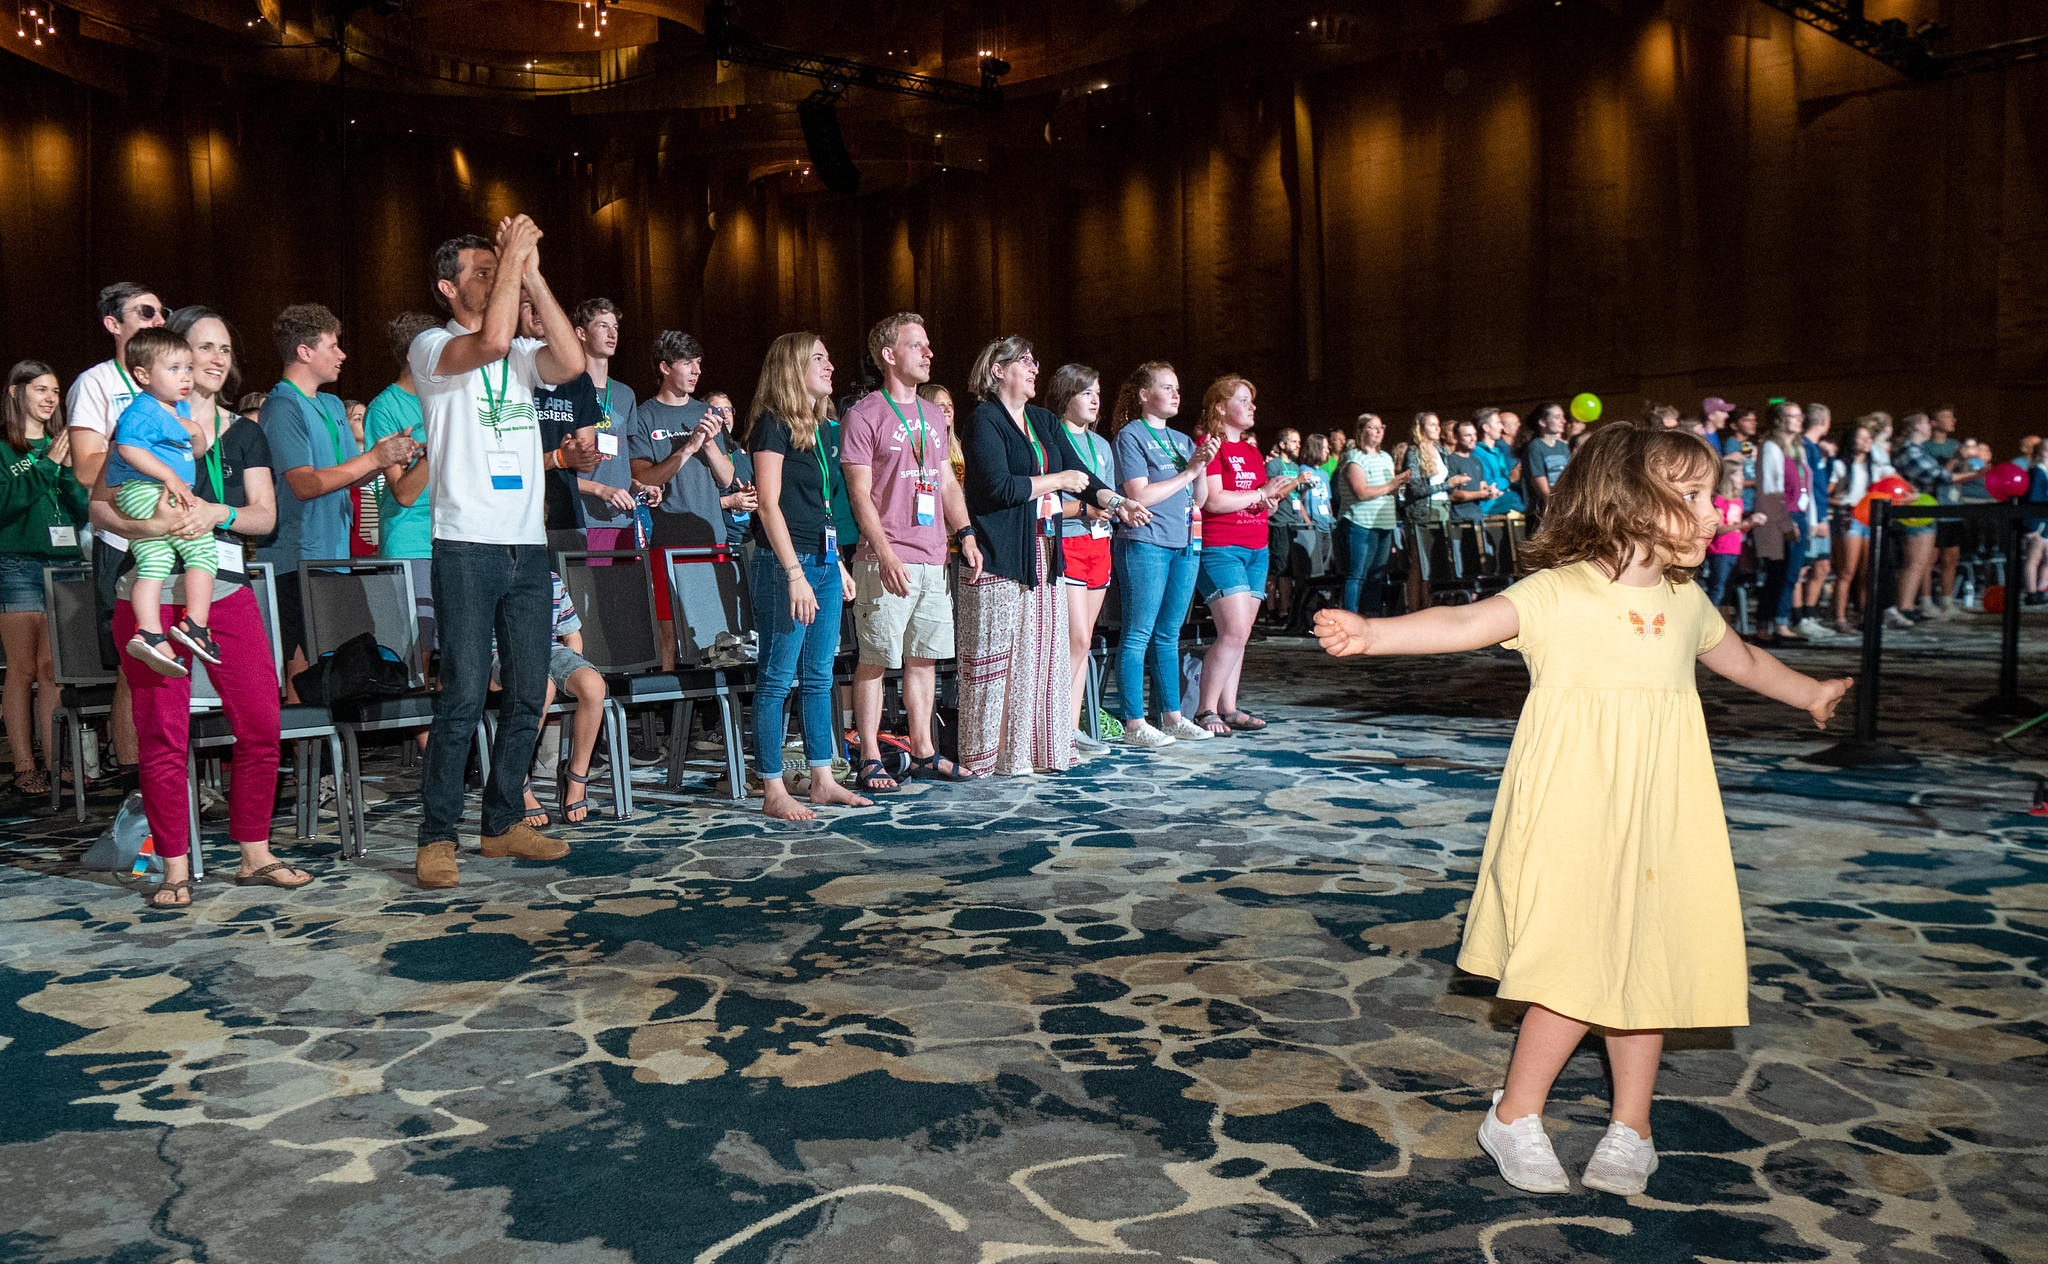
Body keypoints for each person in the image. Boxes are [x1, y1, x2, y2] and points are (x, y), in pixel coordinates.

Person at [1313, 421, 1852, 1196]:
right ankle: (1516, 1113)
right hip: (1576, 806)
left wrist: (1808, 693)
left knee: (1648, 953)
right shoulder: (1559, 592)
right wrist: (1374, 632)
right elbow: (1465, 623)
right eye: (1694, 495)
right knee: (1575, 959)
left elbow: (1742, 660)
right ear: (1631, 501)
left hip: (1662, 808)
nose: (1716, 510)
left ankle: (1631, 1125)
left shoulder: (1685, 600)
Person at [90, 303, 306, 905]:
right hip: (152, 600)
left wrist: (218, 514)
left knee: (262, 725)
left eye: (224, 350)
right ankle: (176, 868)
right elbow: (100, 507)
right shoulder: (139, 420)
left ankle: (254, 854)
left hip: (227, 595)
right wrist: (153, 521)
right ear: (169, 359)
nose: (214, 360)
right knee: (162, 735)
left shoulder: (245, 431)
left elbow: (265, 516)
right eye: (202, 348)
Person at [409, 219, 592, 889]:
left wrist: (535, 273)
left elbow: (571, 365)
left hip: (527, 545)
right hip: (464, 546)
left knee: (527, 690)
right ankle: (436, 837)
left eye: (501, 268)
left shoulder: (519, 356)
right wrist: (514, 250)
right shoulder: (433, 347)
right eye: (483, 272)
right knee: (460, 695)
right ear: (446, 286)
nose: (498, 278)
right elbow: (487, 340)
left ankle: (501, 821)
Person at [959, 335, 1146, 775]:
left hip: (1044, 555)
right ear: (997, 370)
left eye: (1034, 360)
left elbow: (1081, 476)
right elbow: (999, 488)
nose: (1033, 367)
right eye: (1024, 361)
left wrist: (1119, 503)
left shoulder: (1042, 420)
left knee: (1037, 659)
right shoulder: (984, 421)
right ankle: (987, 757)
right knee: (997, 663)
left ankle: (1031, 753)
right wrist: (1056, 479)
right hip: (1001, 554)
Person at [838, 314, 980, 789]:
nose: (928, 353)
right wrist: (885, 552)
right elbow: (859, 494)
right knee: (876, 657)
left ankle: (924, 752)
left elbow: (944, 483)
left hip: (933, 555)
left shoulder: (934, 415)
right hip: (886, 557)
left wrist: (965, 533)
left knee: (925, 658)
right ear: (889, 355)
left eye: (927, 345)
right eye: (916, 345)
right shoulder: (864, 414)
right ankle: (871, 755)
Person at [745, 332, 870, 820]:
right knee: (777, 678)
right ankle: (773, 786)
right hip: (786, 565)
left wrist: (836, 562)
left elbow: (822, 509)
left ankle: (822, 779)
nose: (830, 365)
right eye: (819, 357)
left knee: (819, 676)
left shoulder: (820, 429)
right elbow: (770, 504)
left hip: (820, 561)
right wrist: (795, 573)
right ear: (793, 367)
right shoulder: (771, 425)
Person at [260, 304, 409, 689]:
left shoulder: (329, 405)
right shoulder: (281, 405)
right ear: (305, 352)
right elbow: (305, 484)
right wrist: (372, 458)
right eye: (332, 345)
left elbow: (351, 477)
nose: (342, 354)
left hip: (336, 558)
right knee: (303, 665)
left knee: (341, 661)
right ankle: (301, 747)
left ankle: (324, 749)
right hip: (295, 559)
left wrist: (388, 457)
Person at [64, 281, 168, 779]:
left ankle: (170, 778)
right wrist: (136, 440)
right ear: (113, 324)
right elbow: (85, 468)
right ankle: (135, 786)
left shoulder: (172, 383)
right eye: (146, 312)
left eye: (162, 313)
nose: (158, 320)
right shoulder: (96, 383)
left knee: (172, 662)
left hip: (173, 536)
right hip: (124, 537)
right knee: (136, 670)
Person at [1109, 361, 1219, 749]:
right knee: (1138, 632)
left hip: (1185, 544)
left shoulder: (1182, 440)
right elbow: (1138, 495)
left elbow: (1201, 500)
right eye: (1166, 387)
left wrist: (1202, 465)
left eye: (1177, 387)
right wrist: (1189, 473)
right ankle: (1134, 721)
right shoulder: (1131, 436)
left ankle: (1172, 716)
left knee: (1169, 634)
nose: (1176, 393)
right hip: (1146, 542)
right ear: (1143, 395)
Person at [631, 331, 754, 668]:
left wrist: (710, 443)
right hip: (668, 540)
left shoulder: (707, 412)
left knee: (716, 635)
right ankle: (671, 712)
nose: (696, 370)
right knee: (669, 630)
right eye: (687, 363)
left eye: (698, 363)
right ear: (665, 367)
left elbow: (728, 479)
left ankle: (716, 713)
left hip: (711, 537)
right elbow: (644, 477)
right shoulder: (645, 416)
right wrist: (687, 449)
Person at [105, 327, 223, 674]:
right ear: (142, 375)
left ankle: (149, 633)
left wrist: (197, 436)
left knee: (155, 560)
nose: (185, 377)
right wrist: (169, 478)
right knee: (202, 549)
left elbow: (192, 450)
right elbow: (128, 448)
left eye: (188, 368)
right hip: (147, 489)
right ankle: (195, 626)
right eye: (174, 369)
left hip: (151, 489)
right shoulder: (142, 410)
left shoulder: (176, 409)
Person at [0, 361, 88, 796]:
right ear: (17, 392)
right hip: (17, 563)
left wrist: (69, 471)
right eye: (40, 389)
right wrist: (48, 466)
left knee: (55, 670)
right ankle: (22, 765)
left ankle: (56, 765)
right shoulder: (4, 446)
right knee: (22, 670)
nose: (51, 397)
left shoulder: (59, 445)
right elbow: (6, 504)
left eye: (55, 390)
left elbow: (81, 510)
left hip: (64, 566)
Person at [1193, 375, 1290, 736]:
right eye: (1244, 400)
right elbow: (1214, 500)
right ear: (1221, 407)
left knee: (1241, 634)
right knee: (1233, 631)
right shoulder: (1209, 444)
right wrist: (1258, 494)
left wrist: (1269, 498)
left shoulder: (1250, 451)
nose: (1253, 407)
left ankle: (1228, 707)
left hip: (1256, 547)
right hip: (1222, 548)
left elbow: (1254, 498)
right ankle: (1205, 709)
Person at [1044, 363, 1119, 752]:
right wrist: (1086, 511)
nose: (1094, 400)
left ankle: (1070, 728)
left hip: (1100, 545)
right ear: (1065, 395)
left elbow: (1110, 493)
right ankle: (1053, 724)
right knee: (1073, 639)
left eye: (1097, 393)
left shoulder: (1103, 446)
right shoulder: (1053, 441)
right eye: (1086, 392)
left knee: (1085, 641)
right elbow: (1050, 499)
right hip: (1069, 540)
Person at [366, 312, 444, 660]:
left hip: (455, 538)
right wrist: (436, 449)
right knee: (418, 658)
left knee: (461, 655)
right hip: (412, 544)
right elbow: (404, 493)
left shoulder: (447, 399)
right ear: (415, 355)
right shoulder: (384, 408)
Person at [563, 297, 649, 553]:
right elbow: (554, 468)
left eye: (615, 328)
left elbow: (622, 462)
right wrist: (600, 490)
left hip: (621, 518)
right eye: (602, 326)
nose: (612, 334)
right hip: (581, 520)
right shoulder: (565, 390)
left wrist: (640, 486)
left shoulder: (625, 394)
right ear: (581, 333)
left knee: (621, 591)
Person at [1753, 402, 1818, 643]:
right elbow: (1770, 490)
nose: (1799, 420)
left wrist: (1810, 519)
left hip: (1799, 514)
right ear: (1780, 420)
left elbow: (1806, 486)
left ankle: (1781, 622)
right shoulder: (1771, 448)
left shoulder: (1798, 448)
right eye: (1793, 416)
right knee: (1777, 574)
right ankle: (1765, 626)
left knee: (1792, 574)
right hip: (1780, 517)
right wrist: (1785, 524)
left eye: (1800, 416)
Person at [1334, 413, 1408, 614]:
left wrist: (1400, 484)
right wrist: (1392, 484)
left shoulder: (1385, 457)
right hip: (1360, 524)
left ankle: (1371, 619)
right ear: (1361, 431)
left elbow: (1389, 489)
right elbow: (1361, 492)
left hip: (1384, 523)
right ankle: (1350, 618)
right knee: (1357, 575)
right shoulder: (1354, 458)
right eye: (1372, 427)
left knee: (1377, 575)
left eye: (1381, 427)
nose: (1378, 431)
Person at [1829, 413, 1893, 633]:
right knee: (1847, 571)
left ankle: (1866, 617)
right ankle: (1840, 618)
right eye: (1862, 437)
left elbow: (1899, 483)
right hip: (1849, 518)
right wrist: (1847, 502)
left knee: (1867, 572)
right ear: (1851, 440)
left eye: (1869, 438)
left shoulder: (1874, 467)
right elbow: (1826, 495)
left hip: (1869, 519)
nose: (1867, 442)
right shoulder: (1839, 466)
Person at [1264, 428, 1314, 626]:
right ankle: (1272, 608)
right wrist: (1296, 481)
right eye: (1294, 442)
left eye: (1299, 442)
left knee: (1289, 571)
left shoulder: (1295, 466)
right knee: (1277, 568)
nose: (1298, 445)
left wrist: (1306, 520)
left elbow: (1295, 497)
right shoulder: (1274, 466)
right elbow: (1275, 494)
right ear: (1283, 444)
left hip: (1294, 522)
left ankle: (1286, 609)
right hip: (1279, 523)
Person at [1793, 404, 1835, 636]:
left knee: (1822, 566)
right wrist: (1817, 518)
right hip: (1811, 516)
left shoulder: (1816, 448)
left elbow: (1821, 483)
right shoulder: (1803, 446)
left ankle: (1810, 615)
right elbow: (1805, 486)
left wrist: (1829, 458)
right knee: (1802, 568)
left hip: (1821, 513)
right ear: (1825, 421)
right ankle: (1799, 618)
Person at [1703, 457, 1764, 610]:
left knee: (1727, 592)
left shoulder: (1738, 500)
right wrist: (1744, 523)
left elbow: (1737, 528)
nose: (1743, 478)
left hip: (1734, 550)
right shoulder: (1720, 500)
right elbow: (1719, 528)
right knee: (1717, 589)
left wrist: (1751, 523)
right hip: (1720, 551)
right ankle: (1707, 624)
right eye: (1739, 474)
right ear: (1729, 476)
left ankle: (1724, 625)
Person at [1443, 420, 1500, 525]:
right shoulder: (1450, 461)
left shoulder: (1476, 461)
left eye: (1474, 434)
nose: (1473, 439)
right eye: (1468, 435)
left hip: (1477, 519)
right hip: (1459, 521)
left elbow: (1482, 487)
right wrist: (1482, 493)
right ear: (1456, 437)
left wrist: (1490, 491)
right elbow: (1453, 495)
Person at [1521, 403, 1571, 521]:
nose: (1563, 421)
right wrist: (1555, 506)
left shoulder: (1562, 447)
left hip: (1562, 510)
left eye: (1562, 417)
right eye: (1557, 417)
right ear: (1543, 422)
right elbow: (1539, 482)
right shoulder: (1536, 447)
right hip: (1542, 513)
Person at [1473, 409, 1522, 515]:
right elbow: (1487, 484)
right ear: (1486, 427)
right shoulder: (1477, 453)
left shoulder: (1498, 452)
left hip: (1510, 506)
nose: (1501, 427)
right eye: (1498, 423)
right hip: (1492, 510)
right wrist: (1510, 479)